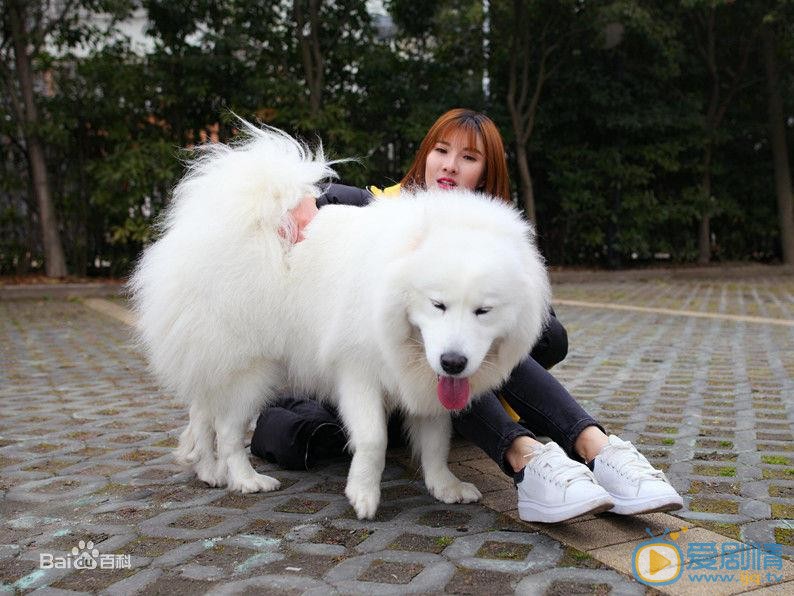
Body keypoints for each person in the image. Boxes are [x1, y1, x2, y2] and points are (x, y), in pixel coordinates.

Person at [250, 108, 683, 523]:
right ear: (424, 155)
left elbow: (542, 329)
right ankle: (529, 456)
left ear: (486, 174)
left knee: (519, 339)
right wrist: (302, 200)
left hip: (442, 398)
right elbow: (315, 200)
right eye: (441, 150)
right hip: (358, 388)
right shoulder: (375, 208)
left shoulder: (495, 239)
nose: (451, 166)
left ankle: (596, 449)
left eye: (469, 157)